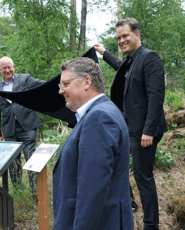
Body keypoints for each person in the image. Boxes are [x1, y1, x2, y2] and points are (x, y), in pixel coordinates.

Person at [94, 17, 167, 230]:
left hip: (144, 130)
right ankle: (130, 204)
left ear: (137, 34)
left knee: (143, 177)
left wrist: (149, 131)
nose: (121, 40)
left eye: (125, 36)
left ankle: (151, 225)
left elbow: (156, 96)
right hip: (128, 127)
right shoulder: (132, 60)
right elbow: (120, 67)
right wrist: (103, 52)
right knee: (118, 166)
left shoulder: (149, 57)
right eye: (118, 38)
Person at [53, 57, 134, 229]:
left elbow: (92, 192)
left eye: (65, 84)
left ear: (86, 82)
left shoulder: (99, 117)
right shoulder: (100, 112)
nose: (61, 91)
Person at [0, 56, 44, 195]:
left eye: (10, 67)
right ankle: (18, 191)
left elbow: (42, 85)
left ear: (14, 66)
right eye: (4, 68)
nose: (7, 70)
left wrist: (62, 82)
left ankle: (35, 192)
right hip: (9, 130)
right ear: (0, 69)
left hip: (28, 126)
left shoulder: (25, 79)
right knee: (13, 162)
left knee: (30, 158)